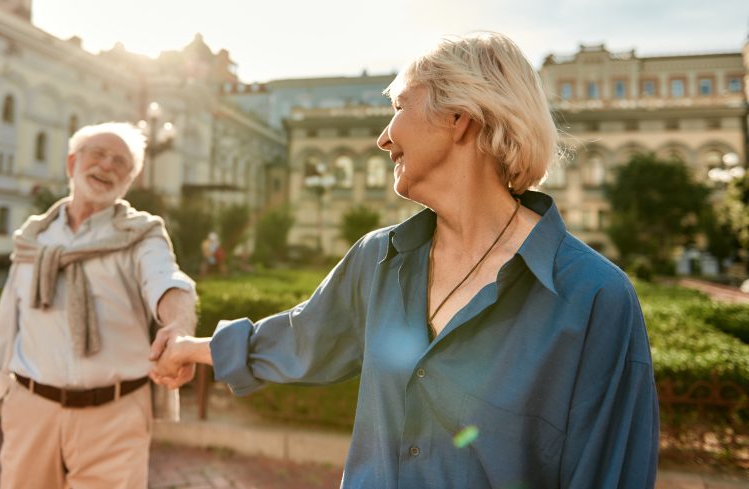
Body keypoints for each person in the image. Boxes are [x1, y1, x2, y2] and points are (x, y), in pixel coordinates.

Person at [151, 32, 659, 488]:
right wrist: (188, 349)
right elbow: (301, 338)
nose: (383, 137)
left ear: (459, 118)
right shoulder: (379, 258)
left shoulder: (596, 297)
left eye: (399, 107)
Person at [0, 122, 197, 489]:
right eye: (97, 154)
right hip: (31, 410)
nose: (107, 166)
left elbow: (168, 281)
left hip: (116, 415)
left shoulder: (142, 233)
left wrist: (179, 327)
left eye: (120, 162)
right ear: (72, 163)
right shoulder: (33, 238)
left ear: (129, 180)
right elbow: (5, 329)